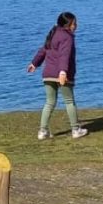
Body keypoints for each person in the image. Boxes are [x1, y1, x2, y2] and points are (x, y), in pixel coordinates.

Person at [27, 12, 87, 140]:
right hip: (61, 74)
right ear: (67, 25)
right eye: (74, 23)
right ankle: (76, 130)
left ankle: (43, 131)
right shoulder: (67, 37)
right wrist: (63, 71)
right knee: (69, 101)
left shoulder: (53, 33)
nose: (76, 25)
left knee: (49, 102)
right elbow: (64, 55)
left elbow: (43, 50)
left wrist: (34, 63)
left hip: (48, 73)